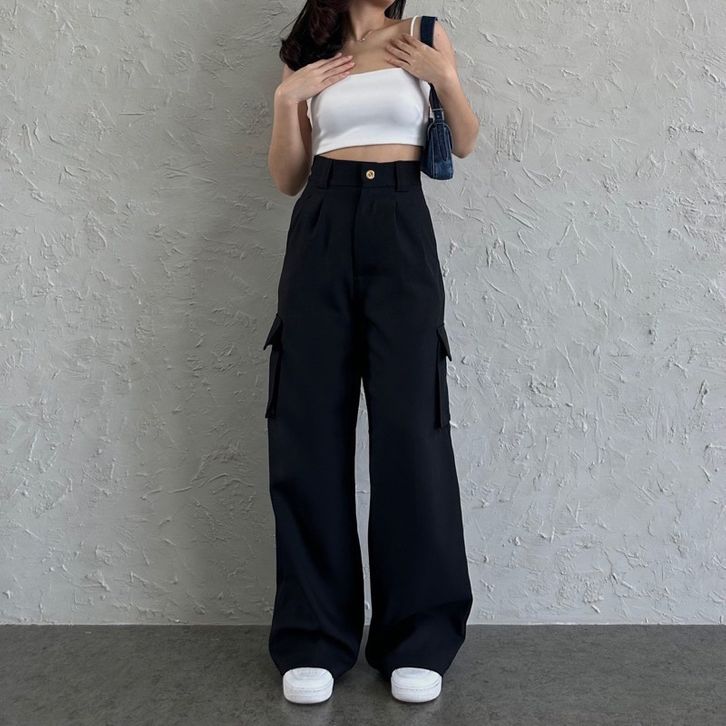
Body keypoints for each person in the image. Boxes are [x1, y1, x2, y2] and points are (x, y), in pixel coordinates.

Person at [264, 0, 480, 705]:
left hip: (400, 222)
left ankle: (417, 637)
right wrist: (287, 100)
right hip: (321, 225)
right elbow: (287, 178)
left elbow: (465, 141)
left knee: (412, 434)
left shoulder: (424, 36)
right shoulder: (309, 48)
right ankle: (314, 638)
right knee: (308, 432)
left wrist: (444, 78)